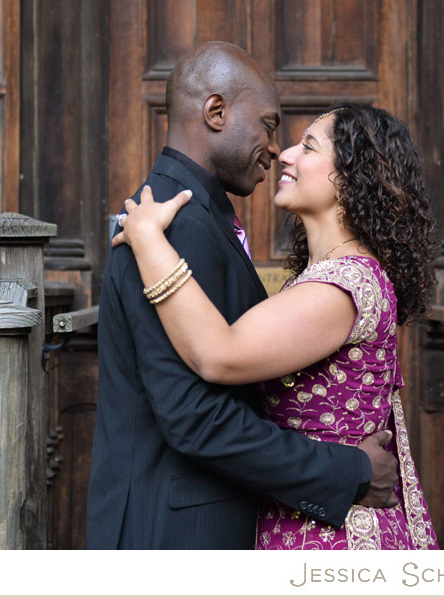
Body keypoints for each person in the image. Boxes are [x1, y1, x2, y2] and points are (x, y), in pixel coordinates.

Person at [86, 42, 400, 550]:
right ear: (216, 112)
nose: (278, 151)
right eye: (270, 126)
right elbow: (195, 416)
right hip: (176, 535)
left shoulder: (182, 218)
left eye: (304, 144)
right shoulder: (175, 225)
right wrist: (350, 471)